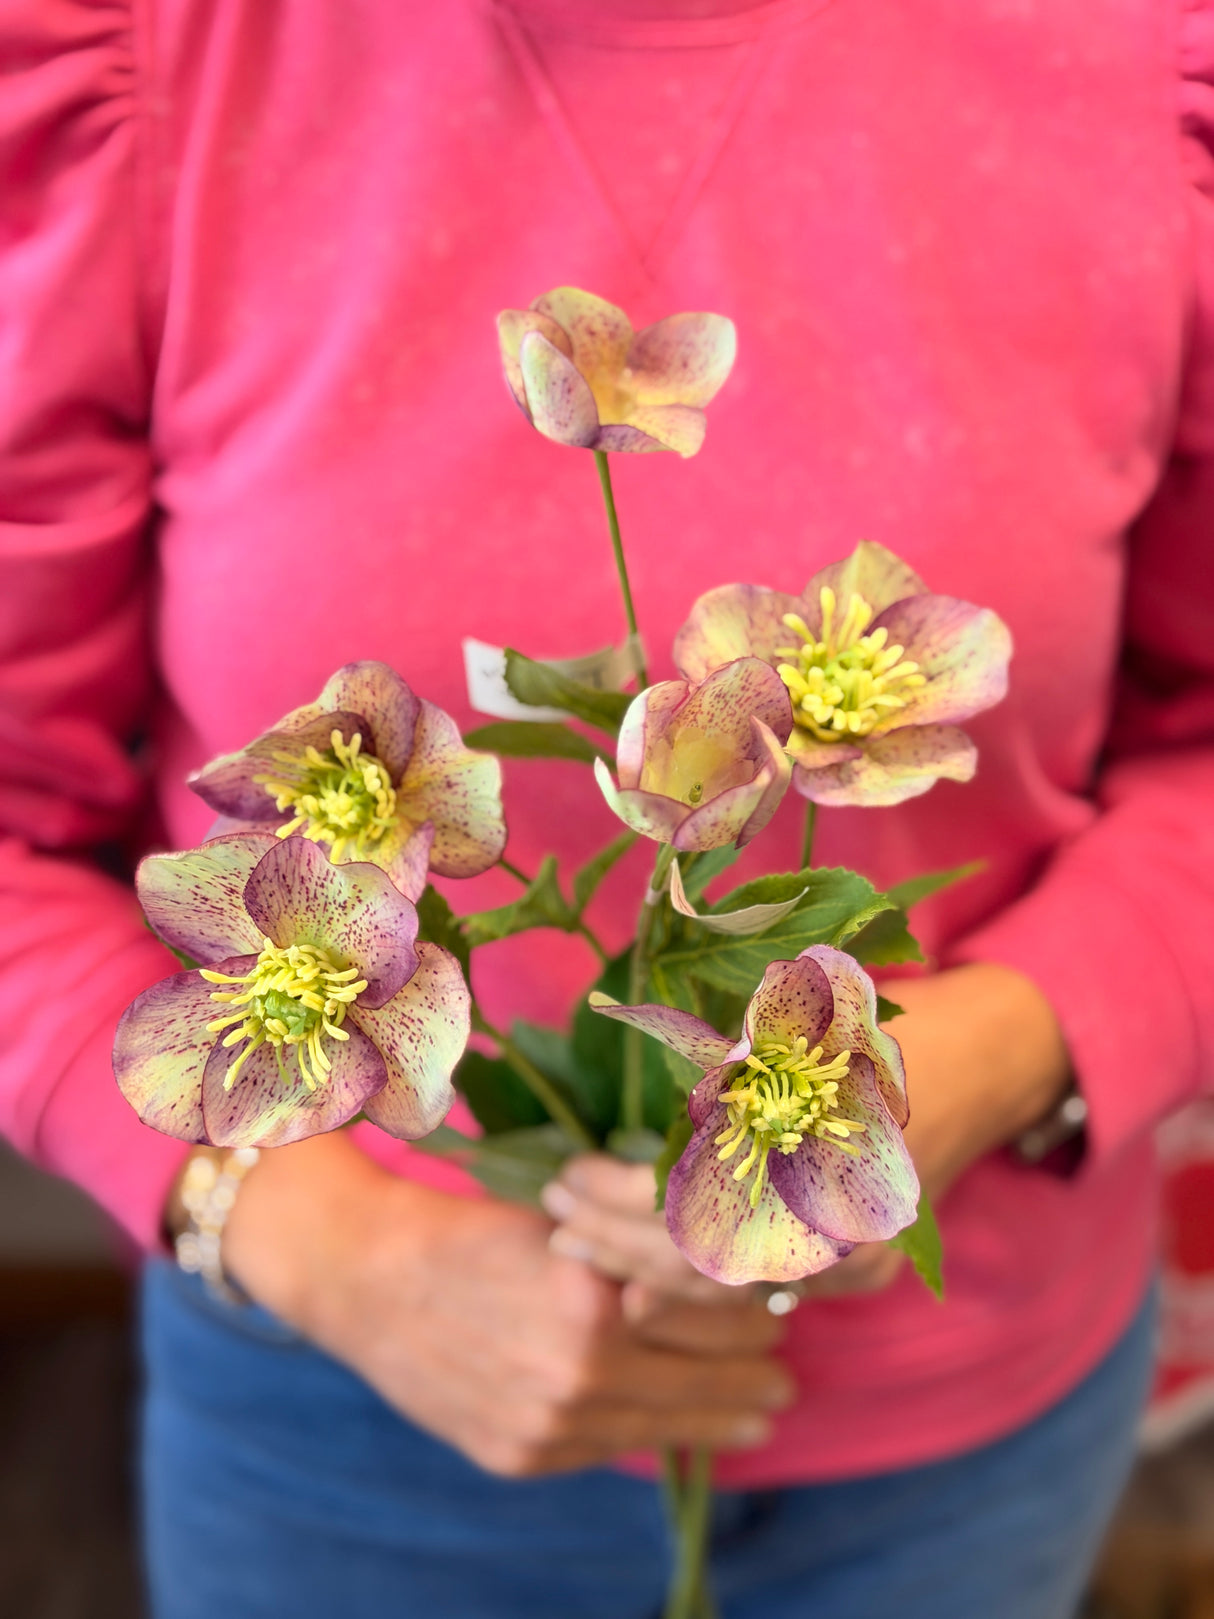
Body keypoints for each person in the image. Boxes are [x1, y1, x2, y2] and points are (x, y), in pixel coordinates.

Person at [2, 0, 1212, 1613]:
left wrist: (996, 1053)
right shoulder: (140, 66)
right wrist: (310, 1238)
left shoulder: (1147, 62)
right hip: (338, 1413)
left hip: (958, 1450)